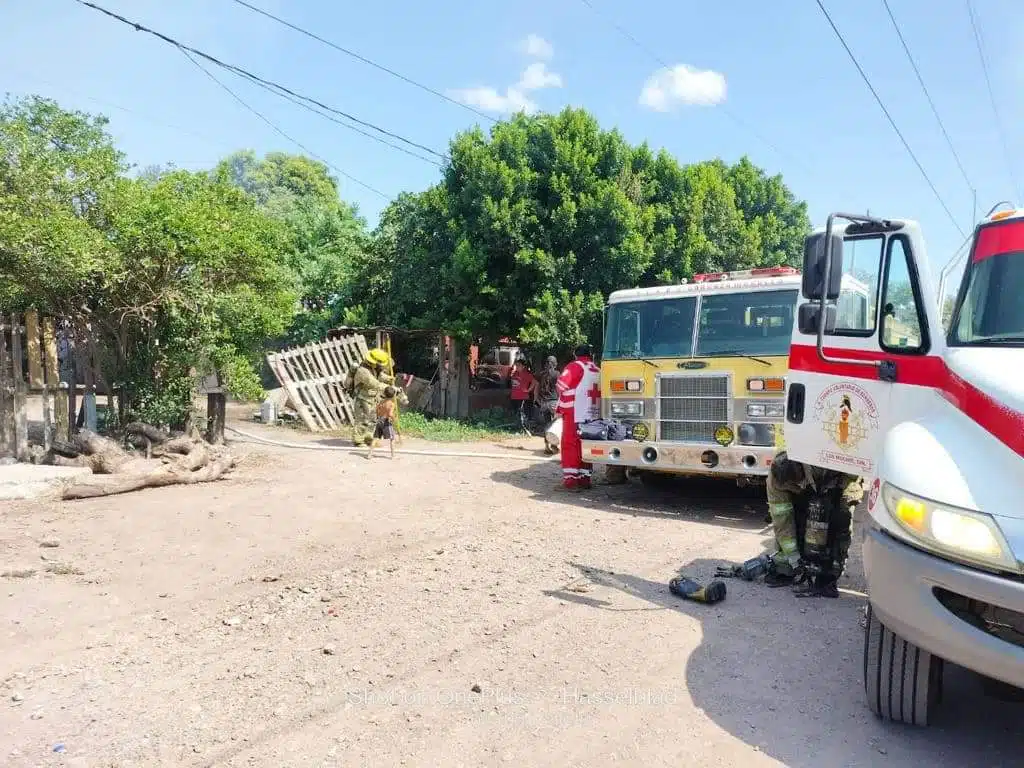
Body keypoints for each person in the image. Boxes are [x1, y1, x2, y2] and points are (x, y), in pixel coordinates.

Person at [764, 450, 864, 597]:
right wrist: (793, 558)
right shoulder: (776, 478)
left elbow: (853, 473)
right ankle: (785, 569)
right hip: (806, 486)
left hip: (839, 479)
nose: (800, 484)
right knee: (795, 521)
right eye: (796, 483)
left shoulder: (823, 460)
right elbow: (782, 520)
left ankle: (828, 577)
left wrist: (837, 495)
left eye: (801, 480)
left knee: (839, 520)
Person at [555, 344, 601, 490]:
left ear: (575, 354)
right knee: (586, 443)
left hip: (574, 411)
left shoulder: (575, 366)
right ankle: (585, 478)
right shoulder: (597, 369)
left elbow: (561, 385)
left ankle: (571, 480)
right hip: (593, 413)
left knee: (570, 444)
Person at [348, 348, 394, 447]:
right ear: (375, 361)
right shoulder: (363, 371)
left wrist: (389, 378)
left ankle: (368, 439)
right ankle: (358, 441)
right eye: (380, 363)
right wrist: (388, 388)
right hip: (363, 399)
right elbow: (374, 383)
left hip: (372, 398)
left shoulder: (372, 368)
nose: (381, 365)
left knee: (372, 420)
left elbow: (379, 376)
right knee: (363, 420)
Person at [369, 386, 400, 459]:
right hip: (386, 422)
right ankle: (393, 456)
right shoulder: (391, 404)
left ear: (384, 394)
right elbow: (390, 414)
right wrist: (394, 419)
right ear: (393, 395)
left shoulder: (381, 402)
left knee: (375, 438)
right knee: (392, 438)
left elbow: (377, 409)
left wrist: (378, 416)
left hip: (379, 421)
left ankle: (369, 454)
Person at [510, 357, 537, 433]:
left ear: (523, 366)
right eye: (516, 365)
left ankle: (523, 429)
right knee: (516, 413)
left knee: (522, 413)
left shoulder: (526, 374)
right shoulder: (515, 373)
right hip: (514, 396)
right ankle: (517, 428)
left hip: (522, 397)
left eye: (518, 365)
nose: (517, 367)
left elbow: (535, 382)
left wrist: (528, 390)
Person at [535, 355, 560, 426]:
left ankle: (546, 435)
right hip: (554, 401)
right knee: (556, 422)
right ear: (555, 364)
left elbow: (537, 387)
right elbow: (560, 387)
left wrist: (536, 398)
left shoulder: (541, 374)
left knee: (547, 423)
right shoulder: (557, 374)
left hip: (543, 403)